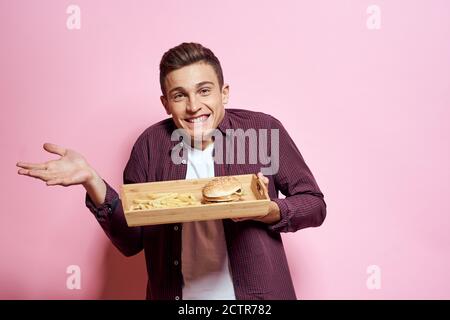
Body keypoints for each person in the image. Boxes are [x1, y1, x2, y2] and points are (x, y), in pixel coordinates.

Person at [16, 42, 326, 300]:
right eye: (180, 95)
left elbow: (314, 204)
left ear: (224, 93)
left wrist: (268, 210)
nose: (194, 106)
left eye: (204, 91)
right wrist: (91, 180)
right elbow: (131, 240)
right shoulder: (149, 145)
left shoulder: (262, 131)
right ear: (166, 103)